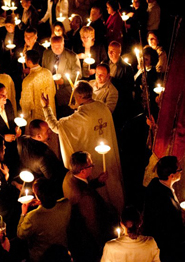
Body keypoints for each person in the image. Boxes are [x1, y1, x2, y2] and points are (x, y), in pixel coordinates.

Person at [42, 81, 124, 213]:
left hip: (92, 161)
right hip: (108, 157)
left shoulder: (81, 116)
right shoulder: (103, 107)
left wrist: (46, 108)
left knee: (99, 195)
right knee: (112, 185)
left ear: (79, 97)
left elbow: (57, 127)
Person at [62, 151, 111, 262]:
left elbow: (85, 185)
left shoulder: (69, 175)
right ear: (83, 171)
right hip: (87, 239)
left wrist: (98, 181)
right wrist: (100, 243)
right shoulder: (85, 198)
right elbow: (92, 223)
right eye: (91, 165)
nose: (93, 166)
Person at [142, 156, 185, 262]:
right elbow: (173, 233)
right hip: (165, 248)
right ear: (172, 176)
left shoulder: (155, 182)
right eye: (179, 170)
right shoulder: (168, 203)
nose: (181, 171)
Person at [17, 178, 71, 262]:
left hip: (41, 257)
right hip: (63, 252)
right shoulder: (66, 204)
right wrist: (41, 202)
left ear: (37, 196)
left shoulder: (32, 217)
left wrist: (23, 214)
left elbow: (21, 234)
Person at [41, 35, 81, 117]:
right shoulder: (46, 54)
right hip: (50, 92)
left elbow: (78, 74)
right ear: (50, 45)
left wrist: (63, 81)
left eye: (59, 46)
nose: (56, 49)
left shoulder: (72, 56)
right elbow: (44, 70)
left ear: (63, 44)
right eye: (54, 46)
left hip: (65, 94)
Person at [20, 50, 56, 123]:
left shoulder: (28, 80)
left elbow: (26, 103)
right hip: (50, 111)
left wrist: (25, 116)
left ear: (29, 62)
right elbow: (53, 91)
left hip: (37, 116)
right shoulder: (47, 72)